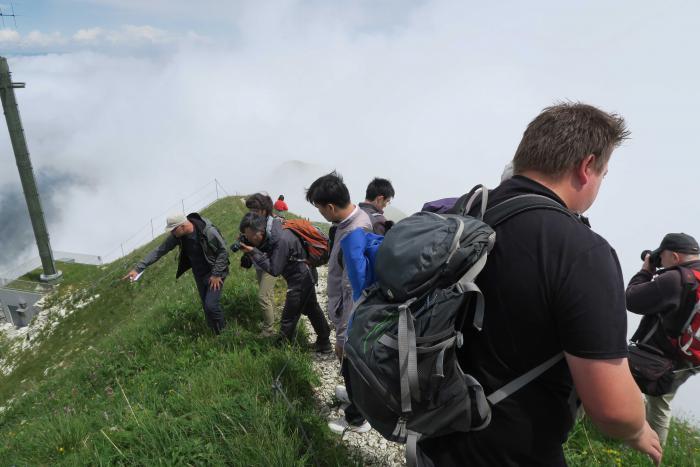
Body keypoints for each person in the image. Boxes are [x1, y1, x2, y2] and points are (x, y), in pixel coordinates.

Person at [417, 103, 662, 466]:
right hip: (509, 450)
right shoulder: (583, 251)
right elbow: (612, 408)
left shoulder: (464, 213)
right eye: (603, 173)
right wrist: (639, 429)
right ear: (585, 168)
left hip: (434, 427)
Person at [306, 171, 373, 435]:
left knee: (350, 359)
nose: (321, 213)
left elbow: (351, 290)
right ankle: (353, 395)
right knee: (350, 365)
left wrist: (343, 336)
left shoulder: (354, 232)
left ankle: (357, 420)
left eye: (320, 208)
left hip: (352, 316)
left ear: (330, 207)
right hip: (347, 312)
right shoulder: (352, 221)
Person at [626, 232, 700, 446]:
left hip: (662, 354)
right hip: (690, 356)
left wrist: (646, 271)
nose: (661, 263)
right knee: (660, 403)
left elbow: (631, 299)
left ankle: (587, 425)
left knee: (605, 370)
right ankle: (646, 454)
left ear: (675, 257)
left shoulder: (677, 278)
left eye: (663, 257)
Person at [238, 212, 332, 352]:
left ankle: (281, 350)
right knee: (311, 307)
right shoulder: (275, 231)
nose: (249, 239)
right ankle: (324, 342)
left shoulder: (281, 239)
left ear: (259, 231)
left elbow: (274, 269)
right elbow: (271, 249)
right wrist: (252, 248)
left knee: (288, 317)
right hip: (305, 274)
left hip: (300, 278)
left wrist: (253, 252)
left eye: (249, 235)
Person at [124, 213, 229, 334]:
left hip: (215, 272)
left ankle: (224, 334)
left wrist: (216, 274)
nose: (171, 233)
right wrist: (138, 268)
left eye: (173, 229)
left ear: (182, 226)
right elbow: (159, 250)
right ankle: (215, 332)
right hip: (199, 274)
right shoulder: (178, 236)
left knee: (211, 306)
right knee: (206, 307)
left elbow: (223, 251)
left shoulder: (208, 231)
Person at [243, 193, 278, 337]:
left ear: (264, 209)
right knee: (268, 295)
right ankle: (271, 321)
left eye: (255, 210)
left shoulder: (272, 225)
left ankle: (268, 330)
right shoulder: (254, 223)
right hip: (259, 264)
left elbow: (276, 248)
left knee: (263, 296)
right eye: (250, 210)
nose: (253, 213)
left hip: (271, 264)